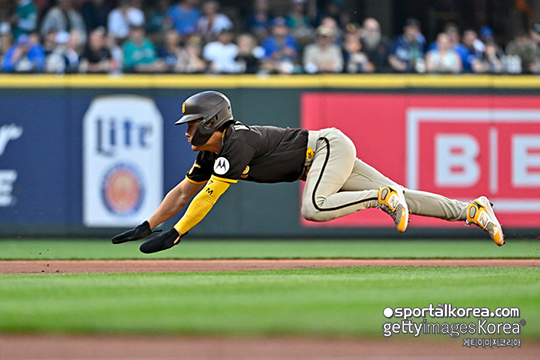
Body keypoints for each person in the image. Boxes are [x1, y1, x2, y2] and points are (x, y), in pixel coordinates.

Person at [111, 91, 505, 254]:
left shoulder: (236, 143)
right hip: (323, 155)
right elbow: (184, 192)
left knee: (314, 208)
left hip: (325, 149)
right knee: (407, 196)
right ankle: (472, 210)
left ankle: (380, 199)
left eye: (194, 124)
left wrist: (178, 233)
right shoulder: (211, 155)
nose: (189, 132)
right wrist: (149, 225)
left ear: (214, 121)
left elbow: (208, 197)